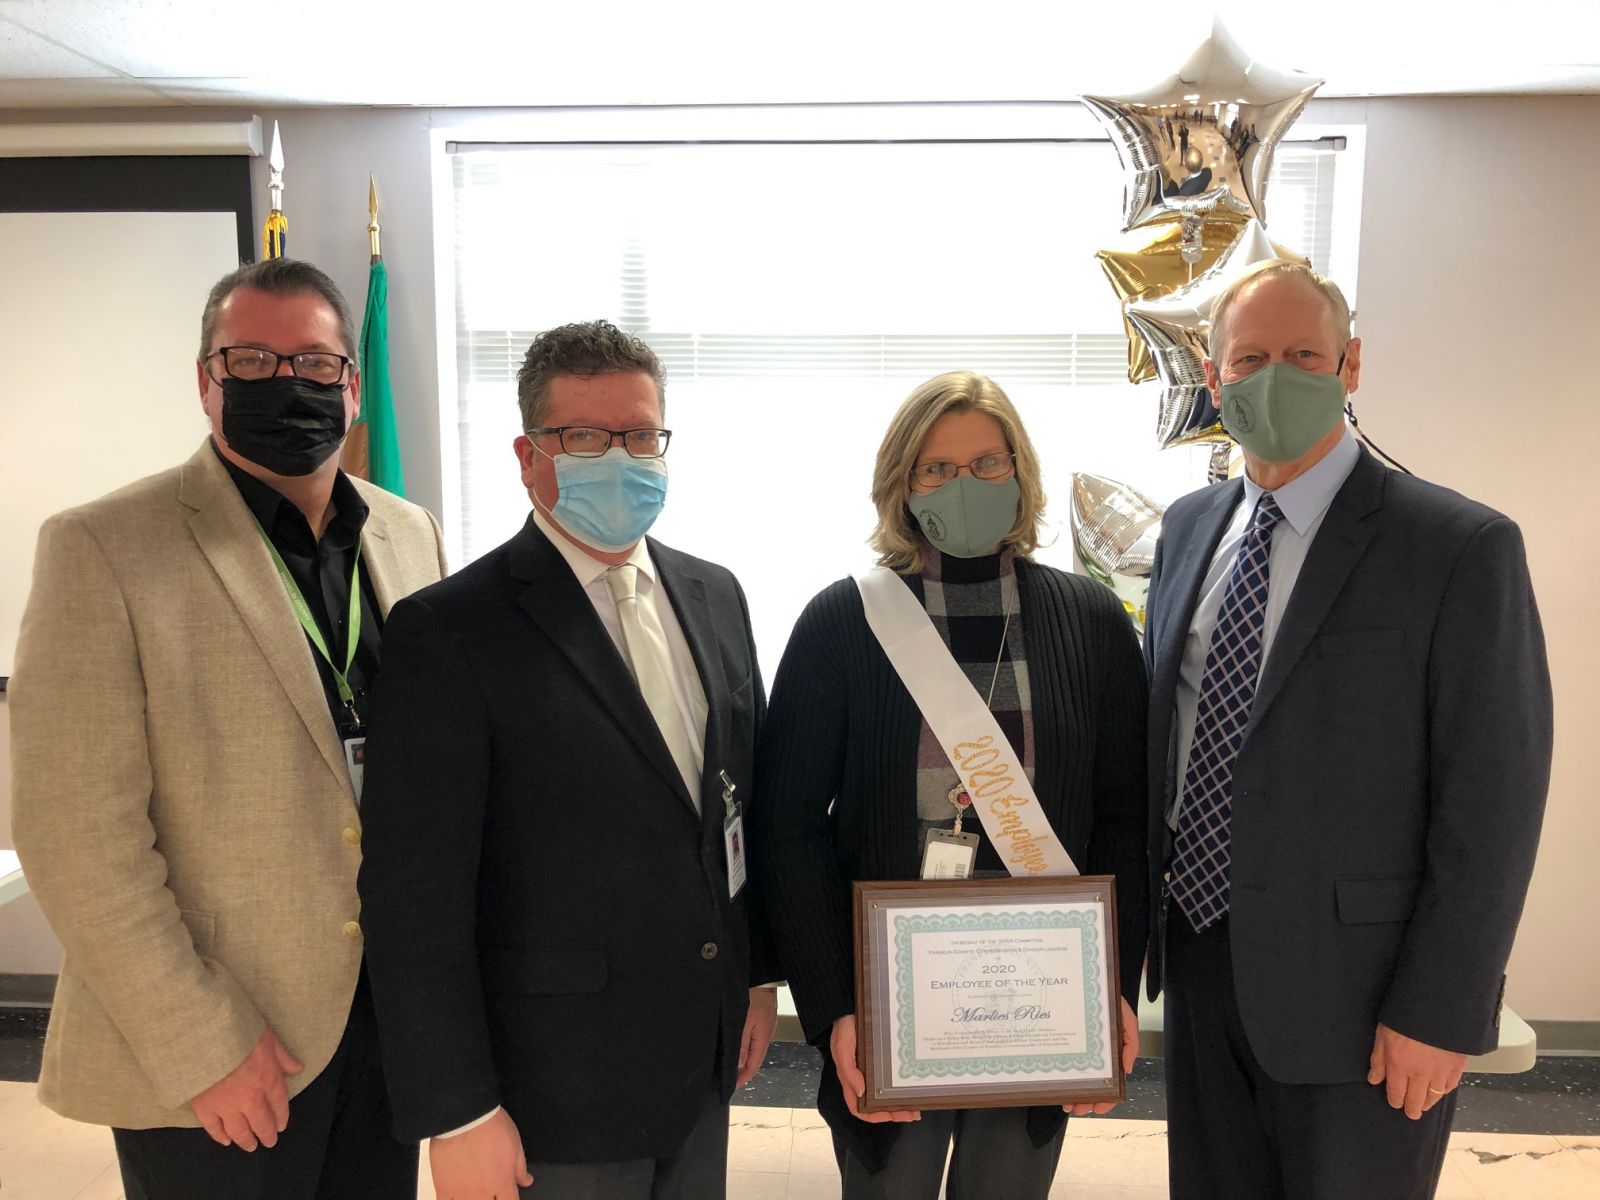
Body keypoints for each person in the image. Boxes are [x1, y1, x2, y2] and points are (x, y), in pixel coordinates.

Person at [9, 258, 448, 1200]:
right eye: (251, 361)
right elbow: (76, 835)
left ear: (352, 383)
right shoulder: (101, 547)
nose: (286, 384)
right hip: (222, 1045)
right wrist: (201, 1043)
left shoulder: (408, 534)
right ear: (205, 378)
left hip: (386, 1024)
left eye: (316, 364)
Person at [1143, 259, 1553, 1199]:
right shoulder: (1189, 528)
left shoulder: (1457, 546)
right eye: (1249, 358)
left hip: (1366, 1002)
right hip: (1204, 969)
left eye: (1303, 354)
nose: (1274, 375)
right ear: (1213, 379)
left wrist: (1444, 1008)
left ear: (1350, 364)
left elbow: (1493, 800)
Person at [355, 319, 778, 1200]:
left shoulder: (715, 593)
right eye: (583, 436)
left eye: (640, 434)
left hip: (700, 1058)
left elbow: (742, 810)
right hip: (551, 1086)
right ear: (526, 455)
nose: (618, 457)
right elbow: (413, 894)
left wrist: (758, 980)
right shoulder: (450, 631)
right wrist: (458, 1111)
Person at [751, 371, 1148, 1199]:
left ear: (1021, 472)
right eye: (934, 468)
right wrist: (833, 1009)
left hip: (1044, 998)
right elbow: (787, 825)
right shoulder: (841, 621)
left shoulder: (1093, 621)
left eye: (986, 463)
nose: (961, 485)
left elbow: (1126, 820)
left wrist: (1110, 984)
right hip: (888, 1002)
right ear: (901, 483)